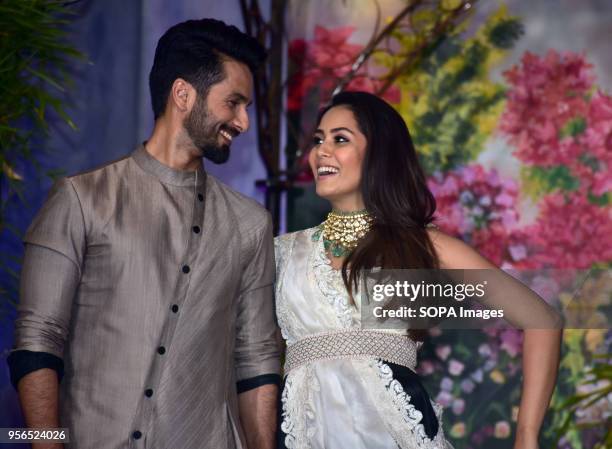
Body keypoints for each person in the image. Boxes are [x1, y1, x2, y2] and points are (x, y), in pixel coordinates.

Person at [8, 18, 279, 449]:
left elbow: (257, 357)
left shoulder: (250, 224)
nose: (244, 121)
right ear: (183, 94)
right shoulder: (82, 200)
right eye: (234, 102)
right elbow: (37, 341)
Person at [274, 91, 562, 449]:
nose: (321, 151)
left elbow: (543, 320)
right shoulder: (282, 252)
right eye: (318, 140)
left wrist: (526, 435)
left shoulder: (420, 246)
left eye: (340, 139)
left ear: (378, 153)